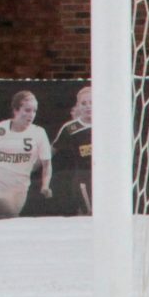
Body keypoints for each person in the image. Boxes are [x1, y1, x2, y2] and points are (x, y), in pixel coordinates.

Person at [0, 88, 53, 219]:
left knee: (8, 220)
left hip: (20, 190)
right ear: (16, 110)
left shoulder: (39, 133)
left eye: (34, 111)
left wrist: (45, 185)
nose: (31, 115)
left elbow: (47, 163)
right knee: (6, 212)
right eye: (27, 110)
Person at [41, 84, 93, 216]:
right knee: (90, 213)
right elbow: (52, 150)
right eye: (83, 103)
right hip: (84, 176)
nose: (88, 106)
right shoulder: (71, 128)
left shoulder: (109, 123)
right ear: (78, 106)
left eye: (92, 102)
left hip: (107, 176)